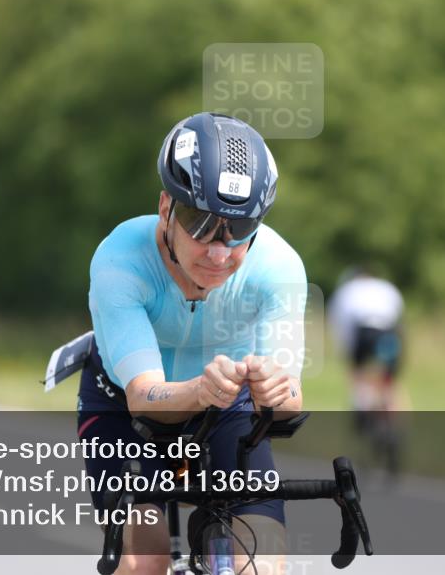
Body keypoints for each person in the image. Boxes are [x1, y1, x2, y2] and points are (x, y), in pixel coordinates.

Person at [76, 112, 307, 575]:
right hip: (124, 409)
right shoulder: (120, 260)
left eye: (240, 228)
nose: (219, 250)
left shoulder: (278, 268)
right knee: (145, 560)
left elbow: (289, 404)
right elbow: (143, 396)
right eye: (200, 223)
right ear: (166, 207)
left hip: (227, 406)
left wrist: (274, 392)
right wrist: (200, 390)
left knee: (262, 563)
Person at [327, 268, 409, 467]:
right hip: (390, 333)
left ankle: (362, 408)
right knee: (389, 383)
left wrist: (348, 357)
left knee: (359, 377)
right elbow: (399, 319)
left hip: (365, 333)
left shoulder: (346, 290)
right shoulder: (387, 288)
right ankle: (395, 430)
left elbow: (341, 328)